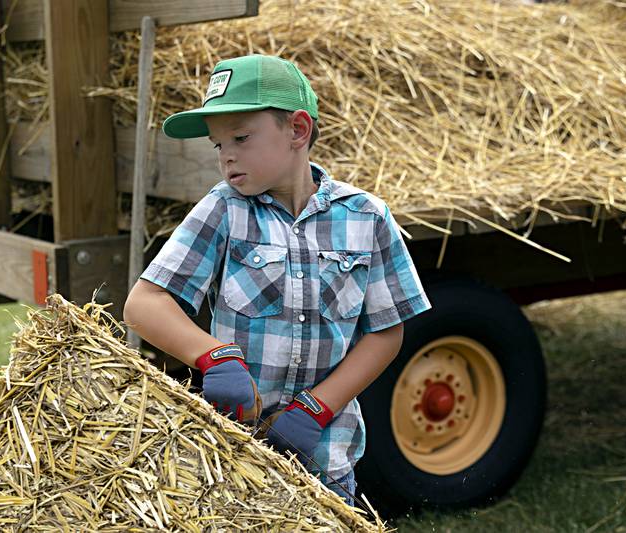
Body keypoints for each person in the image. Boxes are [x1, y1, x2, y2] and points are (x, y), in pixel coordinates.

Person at [122, 54, 431, 506]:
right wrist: (214, 357)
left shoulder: (366, 217)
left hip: (326, 463)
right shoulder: (225, 210)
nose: (227, 155)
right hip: (231, 466)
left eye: (241, 137)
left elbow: (385, 331)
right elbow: (144, 305)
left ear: (298, 131)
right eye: (218, 144)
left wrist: (317, 408)